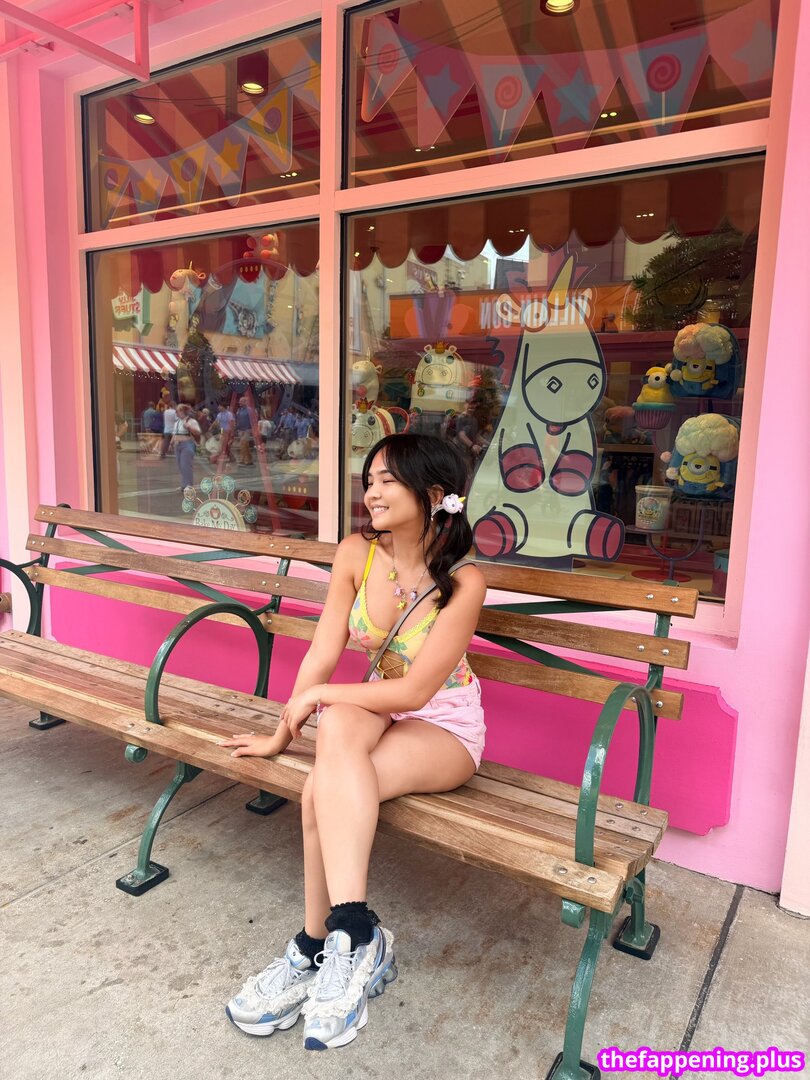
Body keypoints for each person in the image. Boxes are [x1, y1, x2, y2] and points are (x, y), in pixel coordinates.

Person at [219, 433, 486, 1052]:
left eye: (388, 480)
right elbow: (322, 653)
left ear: (435, 494)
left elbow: (416, 690)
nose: (372, 492)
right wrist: (279, 735)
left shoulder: (463, 580)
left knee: (324, 786)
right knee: (335, 730)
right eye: (370, 480)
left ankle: (315, 943)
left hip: (444, 723)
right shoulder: (355, 554)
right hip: (374, 708)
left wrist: (322, 696)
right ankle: (353, 932)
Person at [172, 403, 201, 493]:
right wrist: (171, 443)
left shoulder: (191, 421)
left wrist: (189, 427)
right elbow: (174, 434)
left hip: (187, 445)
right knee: (181, 466)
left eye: (178, 411)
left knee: (186, 465)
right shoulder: (177, 422)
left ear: (183, 412)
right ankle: (184, 485)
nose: (176, 413)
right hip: (177, 445)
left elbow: (198, 432)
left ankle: (189, 485)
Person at [236, 394, 256, 466]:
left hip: (247, 429)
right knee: (245, 445)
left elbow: (253, 420)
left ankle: (244, 459)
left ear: (245, 402)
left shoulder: (250, 410)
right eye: (239, 401)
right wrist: (237, 428)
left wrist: (253, 429)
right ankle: (249, 459)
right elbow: (238, 419)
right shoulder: (239, 410)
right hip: (240, 430)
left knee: (243, 444)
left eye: (241, 401)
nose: (239, 402)